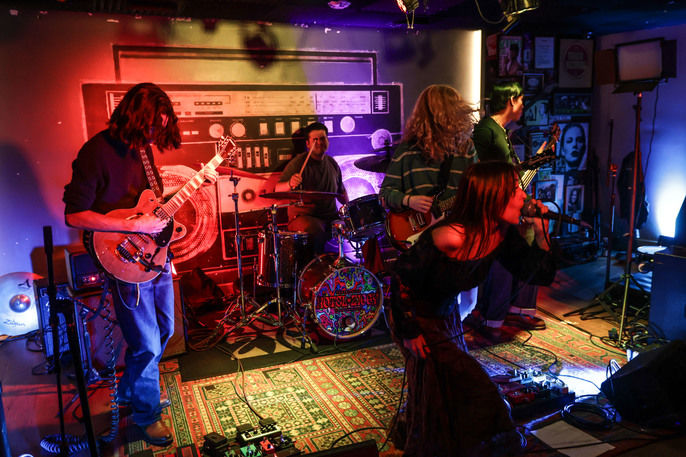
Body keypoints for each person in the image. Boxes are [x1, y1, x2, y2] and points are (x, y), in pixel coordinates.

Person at [63, 83, 217, 447]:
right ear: (134, 116)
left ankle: (132, 390)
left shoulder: (143, 151)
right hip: (124, 258)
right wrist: (133, 227)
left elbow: (152, 206)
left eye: (159, 128)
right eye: (150, 126)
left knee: (164, 331)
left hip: (155, 255)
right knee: (145, 342)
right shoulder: (96, 152)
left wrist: (196, 184)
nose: (153, 134)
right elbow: (74, 215)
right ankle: (147, 415)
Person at [388, 161, 556, 456]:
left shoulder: (500, 233)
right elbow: (401, 278)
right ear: (492, 197)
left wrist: (542, 235)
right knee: (473, 385)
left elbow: (537, 274)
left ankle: (429, 436)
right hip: (413, 313)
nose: (523, 195)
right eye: (515, 189)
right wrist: (409, 331)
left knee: (441, 389)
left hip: (445, 312)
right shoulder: (450, 236)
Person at [379, 84, 478, 319]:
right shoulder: (407, 151)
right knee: (434, 302)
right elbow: (384, 195)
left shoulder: (466, 149)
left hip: (456, 233)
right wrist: (409, 200)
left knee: (466, 301)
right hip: (422, 241)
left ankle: (448, 329)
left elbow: (477, 189)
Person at [470, 81, 546, 340]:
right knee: (502, 260)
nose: (523, 106)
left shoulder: (500, 131)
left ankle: (514, 310)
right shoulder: (486, 130)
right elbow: (490, 174)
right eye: (521, 100)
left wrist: (538, 159)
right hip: (495, 208)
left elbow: (511, 176)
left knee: (526, 247)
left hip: (506, 205)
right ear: (511, 100)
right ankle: (491, 318)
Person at [274, 122, 348, 253]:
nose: (319, 142)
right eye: (315, 140)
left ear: (327, 141)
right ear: (308, 144)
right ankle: (318, 265)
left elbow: (341, 193)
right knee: (316, 229)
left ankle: (370, 265)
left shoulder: (332, 163)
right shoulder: (298, 163)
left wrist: (352, 212)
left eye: (322, 138)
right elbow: (277, 190)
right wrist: (290, 183)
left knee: (362, 226)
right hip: (304, 217)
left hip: (331, 217)